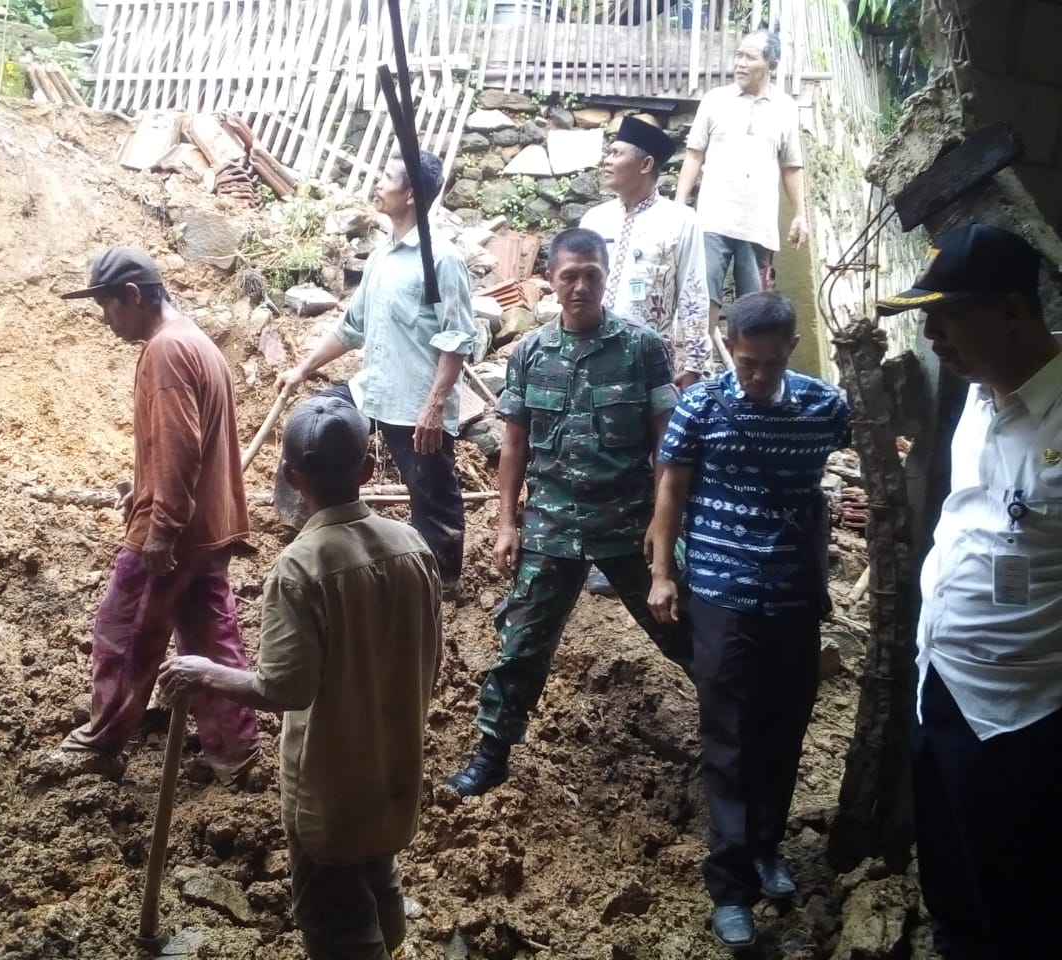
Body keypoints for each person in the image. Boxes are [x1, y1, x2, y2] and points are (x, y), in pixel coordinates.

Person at [157, 396, 443, 960]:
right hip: (393, 763)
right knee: (378, 874)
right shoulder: (414, 547)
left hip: (329, 784)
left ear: (292, 476)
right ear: (367, 469)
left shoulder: (301, 567)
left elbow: (285, 689)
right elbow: (429, 656)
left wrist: (207, 670)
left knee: (333, 914)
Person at [444, 228, 692, 800]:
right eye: (568, 275)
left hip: (628, 528)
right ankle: (492, 754)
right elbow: (514, 445)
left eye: (592, 274)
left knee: (686, 634)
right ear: (550, 280)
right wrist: (508, 522)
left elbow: (667, 449)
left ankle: (734, 734)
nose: (580, 286)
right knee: (520, 646)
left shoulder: (642, 347)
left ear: (606, 275)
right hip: (550, 529)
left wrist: (663, 526)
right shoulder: (531, 351)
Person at [877, 222, 1062, 959]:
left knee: (1025, 911)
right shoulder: (980, 401)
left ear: (1011, 311)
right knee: (953, 895)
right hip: (942, 689)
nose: (932, 336)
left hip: (1024, 726)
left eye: (946, 315)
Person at [645, 290, 850, 948]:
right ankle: (730, 883)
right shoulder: (701, 405)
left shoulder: (825, 407)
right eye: (745, 362)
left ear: (791, 349)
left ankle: (766, 848)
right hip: (721, 594)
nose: (756, 375)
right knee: (728, 737)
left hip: (793, 596)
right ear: (728, 348)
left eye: (768, 362)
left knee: (783, 728)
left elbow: (867, 453)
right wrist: (660, 574)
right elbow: (670, 490)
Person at [45, 247, 259, 785]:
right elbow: (187, 446)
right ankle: (236, 750)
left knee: (122, 633)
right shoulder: (197, 342)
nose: (105, 319)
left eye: (107, 306)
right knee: (210, 636)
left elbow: (180, 448)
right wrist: (142, 487)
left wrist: (160, 528)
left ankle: (102, 739)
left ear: (133, 296)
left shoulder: (165, 353)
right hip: (209, 524)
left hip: (174, 535)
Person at [275, 149, 478, 595]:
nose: (379, 185)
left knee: (432, 494)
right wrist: (301, 369)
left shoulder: (441, 259)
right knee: (312, 425)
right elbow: (353, 327)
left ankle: (441, 584)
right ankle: (313, 536)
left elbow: (459, 337)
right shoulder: (384, 256)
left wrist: (435, 405)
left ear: (409, 194)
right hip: (375, 390)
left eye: (387, 178)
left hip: (416, 402)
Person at [581, 114, 711, 597]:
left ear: (647, 163)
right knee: (600, 451)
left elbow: (695, 296)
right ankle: (601, 551)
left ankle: (657, 551)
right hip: (594, 357)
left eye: (617, 153)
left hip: (651, 363)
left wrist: (690, 367)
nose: (607, 160)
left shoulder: (681, 222)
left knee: (656, 459)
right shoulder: (594, 220)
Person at [675, 29, 807, 342]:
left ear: (771, 65)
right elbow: (694, 155)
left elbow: (791, 166)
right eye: (739, 55)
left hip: (757, 226)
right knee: (702, 295)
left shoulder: (786, 108)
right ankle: (699, 365)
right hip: (712, 219)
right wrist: (679, 205)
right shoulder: (715, 100)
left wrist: (801, 214)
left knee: (754, 308)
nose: (740, 63)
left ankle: (745, 379)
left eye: (750, 57)